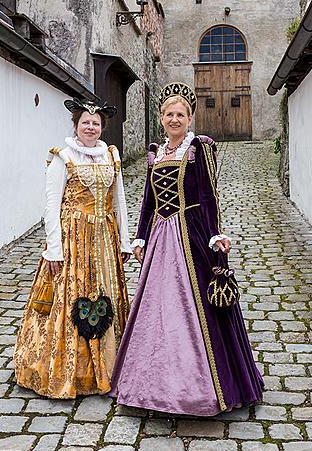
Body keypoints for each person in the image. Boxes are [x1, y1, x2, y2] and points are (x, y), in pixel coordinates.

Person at [111, 82, 264, 416]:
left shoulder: (198, 148)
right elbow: (148, 203)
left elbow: (209, 197)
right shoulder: (156, 154)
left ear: (189, 117)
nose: (174, 119)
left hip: (191, 235)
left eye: (180, 114)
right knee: (157, 310)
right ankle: (151, 385)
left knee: (196, 308)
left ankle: (203, 388)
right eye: (169, 114)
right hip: (160, 238)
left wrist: (214, 235)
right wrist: (140, 237)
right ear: (161, 118)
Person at [14, 98, 131, 399]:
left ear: (102, 127)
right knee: (72, 298)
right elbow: (51, 206)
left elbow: (119, 201)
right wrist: (53, 249)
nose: (90, 127)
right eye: (85, 123)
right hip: (73, 239)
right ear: (76, 125)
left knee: (107, 294)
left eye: (95, 123)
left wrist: (126, 239)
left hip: (105, 236)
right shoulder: (62, 157)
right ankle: (72, 371)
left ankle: (111, 363)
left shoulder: (111, 156)